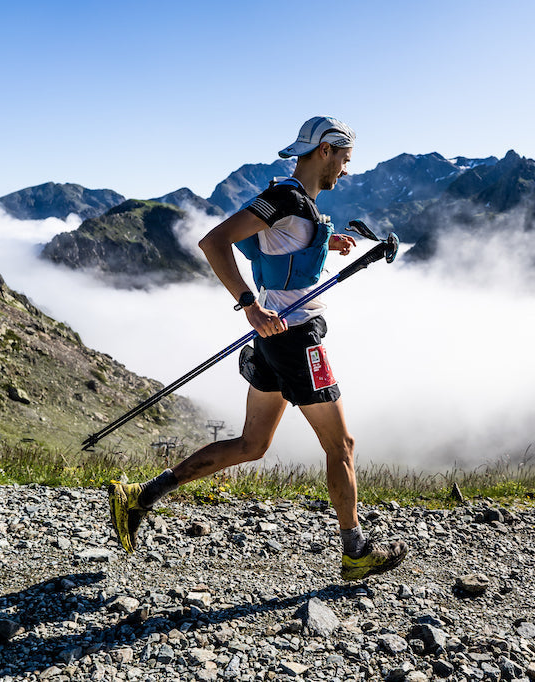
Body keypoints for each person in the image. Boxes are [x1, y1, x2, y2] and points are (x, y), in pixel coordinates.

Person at [108, 116, 407, 581]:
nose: (345, 171)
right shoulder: (286, 196)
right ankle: (355, 551)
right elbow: (215, 242)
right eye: (345, 160)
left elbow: (272, 247)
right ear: (325, 150)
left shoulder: (296, 203)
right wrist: (248, 305)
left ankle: (140, 497)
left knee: (252, 445)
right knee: (342, 445)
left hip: (272, 340)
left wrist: (325, 244)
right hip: (293, 338)